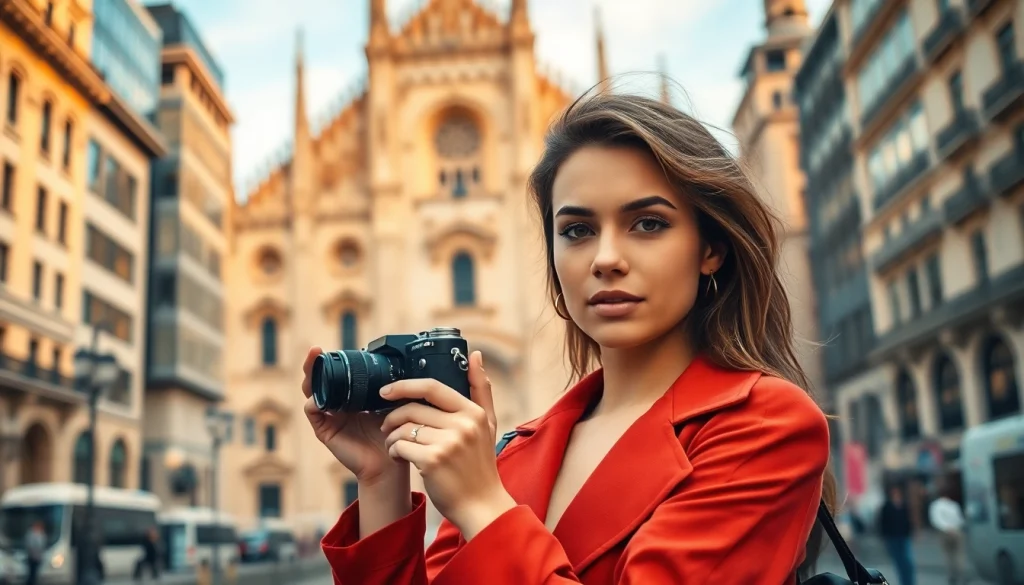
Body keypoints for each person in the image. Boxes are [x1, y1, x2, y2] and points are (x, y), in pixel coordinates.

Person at [303, 90, 835, 584]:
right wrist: (380, 483)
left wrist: (484, 505)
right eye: (577, 230)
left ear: (710, 249)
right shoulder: (515, 452)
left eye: (648, 223)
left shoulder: (765, 424)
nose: (605, 259)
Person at [878, 484, 916, 585]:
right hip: (892, 538)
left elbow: (908, 520)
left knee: (908, 562)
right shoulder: (887, 506)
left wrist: (911, 532)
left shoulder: (904, 505)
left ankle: (910, 582)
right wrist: (884, 536)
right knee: (899, 562)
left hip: (904, 536)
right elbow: (883, 522)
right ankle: (904, 582)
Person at [928, 487, 965, 585]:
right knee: (958, 554)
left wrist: (946, 528)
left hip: (944, 533)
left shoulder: (936, 505)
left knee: (948, 555)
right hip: (956, 531)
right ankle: (961, 575)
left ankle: (952, 576)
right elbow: (959, 518)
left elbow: (936, 520)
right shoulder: (954, 505)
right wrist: (955, 528)